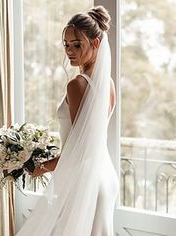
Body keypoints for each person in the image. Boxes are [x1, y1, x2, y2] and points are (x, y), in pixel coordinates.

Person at [17, 5, 119, 236]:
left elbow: (80, 150)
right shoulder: (108, 84)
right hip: (105, 177)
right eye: (66, 44)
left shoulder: (77, 85)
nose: (69, 51)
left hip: (85, 182)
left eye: (77, 44)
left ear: (95, 44)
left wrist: (39, 167)